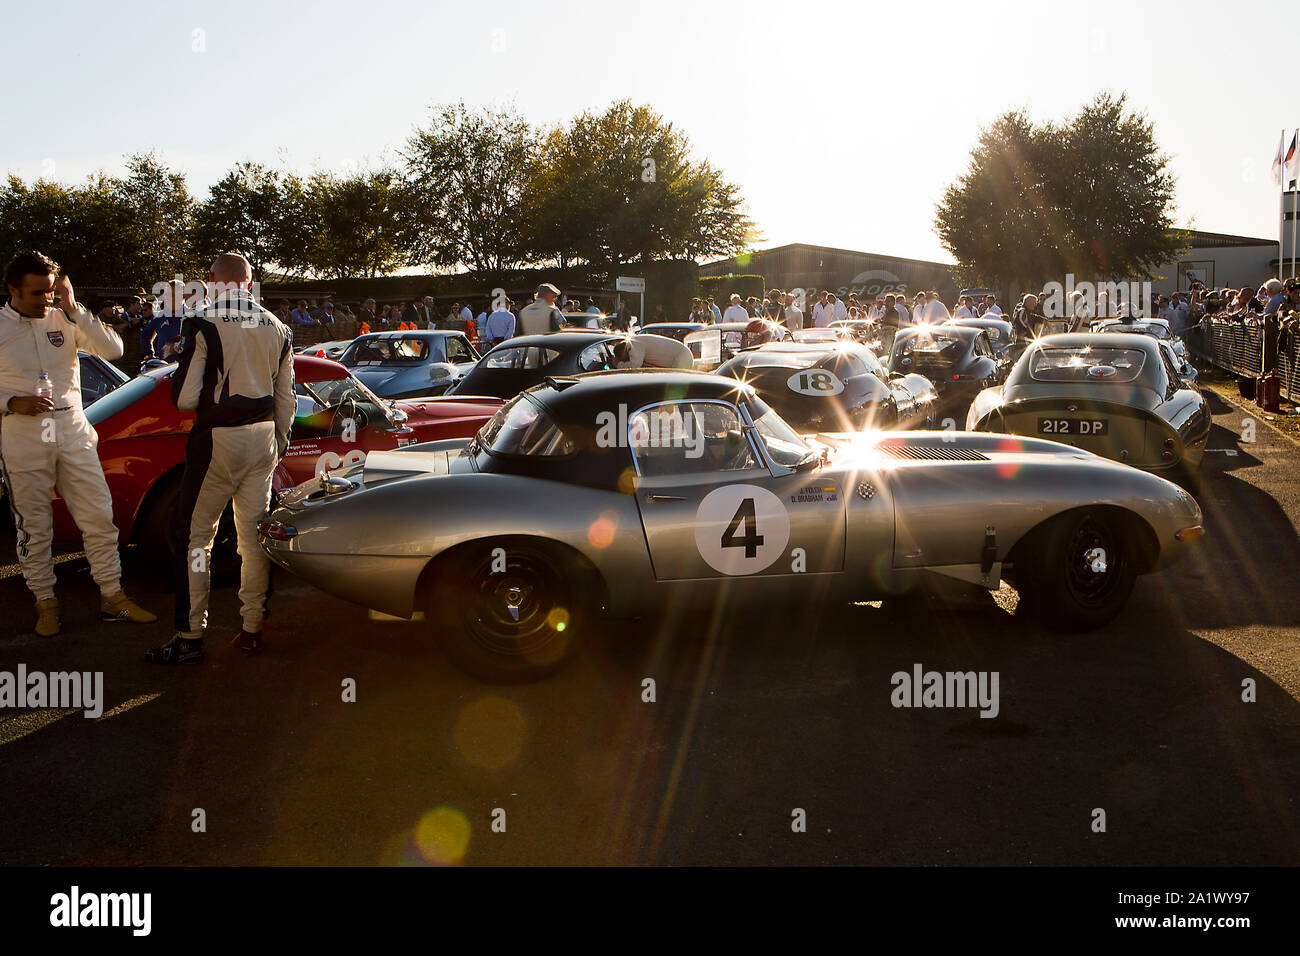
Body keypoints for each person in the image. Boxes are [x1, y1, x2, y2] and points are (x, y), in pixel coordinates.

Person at [146, 253, 294, 665]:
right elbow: (287, 400)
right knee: (252, 537)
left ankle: (190, 636)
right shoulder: (278, 326)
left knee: (195, 537)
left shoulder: (203, 320)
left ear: (212, 280)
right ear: (249, 283)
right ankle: (251, 629)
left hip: (218, 439)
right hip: (264, 439)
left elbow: (185, 398)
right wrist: (278, 441)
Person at [0, 250, 156, 636]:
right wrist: (9, 402)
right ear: (12, 290)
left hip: (72, 426)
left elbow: (114, 351)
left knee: (100, 517)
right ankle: (46, 602)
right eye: (37, 294)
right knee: (34, 527)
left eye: (51, 292)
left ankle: (113, 597)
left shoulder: (66, 316)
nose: (46, 300)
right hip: (23, 432)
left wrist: (75, 309)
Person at [141, 280, 187, 359]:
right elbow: (145, 336)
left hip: (186, 365)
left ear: (183, 296)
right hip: (164, 366)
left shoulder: (191, 315)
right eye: (166, 294)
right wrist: (149, 353)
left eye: (172, 294)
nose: (168, 297)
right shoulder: (158, 316)